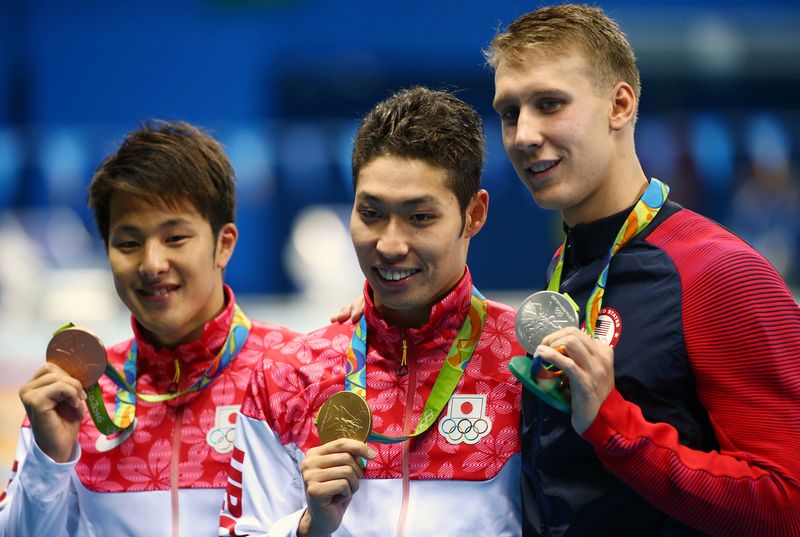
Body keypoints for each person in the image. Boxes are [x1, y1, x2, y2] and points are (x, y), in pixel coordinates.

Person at [485, 4, 800, 536]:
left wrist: (615, 428)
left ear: (620, 105)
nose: (522, 135)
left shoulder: (719, 274)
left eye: (550, 104)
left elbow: (788, 502)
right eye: (510, 112)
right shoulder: (570, 266)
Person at [219, 87, 524, 536]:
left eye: (420, 217)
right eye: (372, 213)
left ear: (473, 215)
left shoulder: (524, 365)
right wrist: (308, 527)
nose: (390, 245)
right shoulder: (289, 377)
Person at [0, 120, 298, 536]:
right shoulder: (76, 392)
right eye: (128, 243)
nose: (152, 264)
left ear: (224, 244)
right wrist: (50, 460)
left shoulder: (298, 373)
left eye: (175, 238)